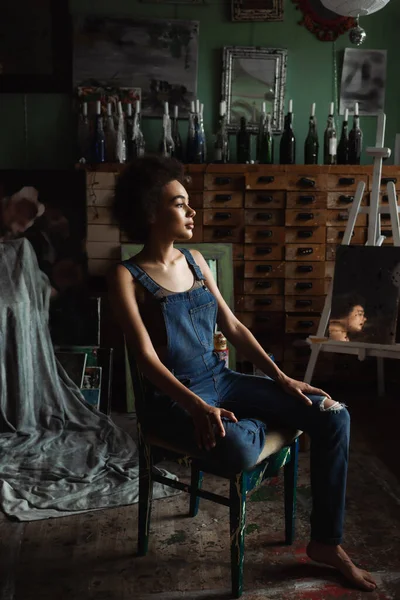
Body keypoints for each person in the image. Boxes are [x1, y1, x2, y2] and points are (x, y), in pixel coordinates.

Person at [108, 155, 377, 593]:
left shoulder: (195, 261)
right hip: (176, 401)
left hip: (223, 382)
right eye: (180, 203)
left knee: (332, 415)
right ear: (151, 211)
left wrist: (280, 380)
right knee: (234, 451)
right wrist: (198, 407)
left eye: (190, 203)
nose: (192, 211)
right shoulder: (126, 277)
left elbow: (232, 327)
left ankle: (327, 543)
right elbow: (145, 359)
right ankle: (257, 426)